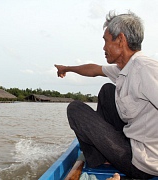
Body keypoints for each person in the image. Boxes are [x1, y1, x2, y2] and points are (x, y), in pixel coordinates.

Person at [55, 10, 158, 179]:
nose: (104, 47)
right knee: (107, 91)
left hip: (142, 163)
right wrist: (66, 68)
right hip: (134, 144)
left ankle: (98, 158)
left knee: (75, 109)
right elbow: (94, 70)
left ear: (121, 40)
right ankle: (104, 155)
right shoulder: (126, 68)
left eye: (106, 41)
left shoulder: (145, 69)